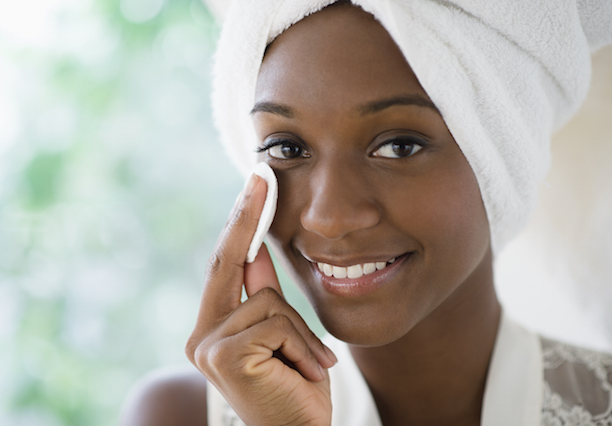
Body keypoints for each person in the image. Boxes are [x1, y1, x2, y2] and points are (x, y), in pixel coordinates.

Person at [120, 1, 612, 425]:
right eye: (288, 149)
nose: (328, 217)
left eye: (399, 146)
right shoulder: (179, 415)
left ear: (502, 160)